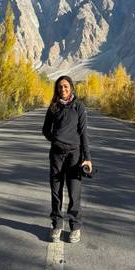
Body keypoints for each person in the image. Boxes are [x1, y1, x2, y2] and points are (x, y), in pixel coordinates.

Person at [42, 75, 92, 244]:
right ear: (57, 89)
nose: (63, 90)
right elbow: (45, 130)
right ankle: (56, 225)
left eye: (66, 86)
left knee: (74, 192)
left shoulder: (79, 106)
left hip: (74, 156)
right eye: (60, 87)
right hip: (56, 155)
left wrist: (88, 158)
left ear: (71, 87)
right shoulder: (54, 107)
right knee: (56, 192)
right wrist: (55, 140)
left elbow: (84, 133)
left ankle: (75, 227)